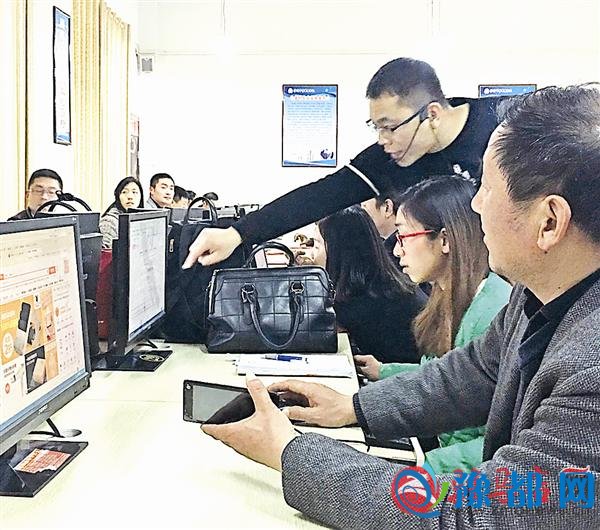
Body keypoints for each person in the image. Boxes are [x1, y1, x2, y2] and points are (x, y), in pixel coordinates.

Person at [200, 85, 600, 528]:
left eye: (487, 189)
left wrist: (290, 452)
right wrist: (354, 407)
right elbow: (472, 374)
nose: (474, 204)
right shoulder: (538, 297)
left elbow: (475, 515)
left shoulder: (591, 370)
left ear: (549, 222)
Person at [183, 57, 508, 269]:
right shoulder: (389, 159)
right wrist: (238, 233)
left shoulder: (506, 125)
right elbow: (319, 196)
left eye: (389, 127)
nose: (382, 140)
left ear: (432, 114)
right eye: (376, 127)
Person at [355, 175, 511, 472]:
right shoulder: (447, 297)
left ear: (445, 240)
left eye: (403, 236)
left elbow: (498, 440)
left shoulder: (494, 311)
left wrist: (423, 468)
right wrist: (383, 371)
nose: (396, 250)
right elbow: (442, 376)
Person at [314, 206, 426, 364]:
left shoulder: (356, 301)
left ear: (338, 251)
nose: (312, 254)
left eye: (317, 245)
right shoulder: (384, 284)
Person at [99, 177, 144, 248]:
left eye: (134, 192)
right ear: (118, 196)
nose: (130, 197)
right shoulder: (109, 222)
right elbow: (107, 252)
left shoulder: (140, 219)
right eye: (124, 192)